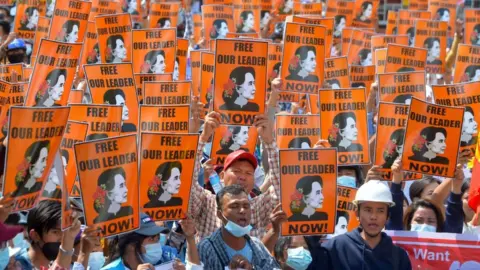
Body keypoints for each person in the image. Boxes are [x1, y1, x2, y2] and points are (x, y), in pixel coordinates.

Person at [188, 109, 280, 240]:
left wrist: (269, 141)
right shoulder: (206, 202)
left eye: (248, 173)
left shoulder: (259, 206)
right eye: (236, 171)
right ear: (222, 176)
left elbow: (281, 185)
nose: (242, 176)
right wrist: (203, 138)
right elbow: (188, 180)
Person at [323, 180, 412, 269]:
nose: (373, 217)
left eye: (380, 211)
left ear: (387, 216)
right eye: (368, 210)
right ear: (357, 214)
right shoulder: (334, 248)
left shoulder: (399, 256)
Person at [197, 185, 280, 269]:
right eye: (234, 206)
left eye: (246, 206)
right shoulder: (206, 248)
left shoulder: (257, 246)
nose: (242, 211)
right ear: (220, 214)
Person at [14, 200, 82, 270]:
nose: (63, 238)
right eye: (55, 232)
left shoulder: (70, 265)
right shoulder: (16, 265)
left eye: (65, 232)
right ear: (35, 235)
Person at [102, 213, 183, 269]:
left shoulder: (166, 261)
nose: (157, 245)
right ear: (131, 245)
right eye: (151, 239)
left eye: (157, 239)